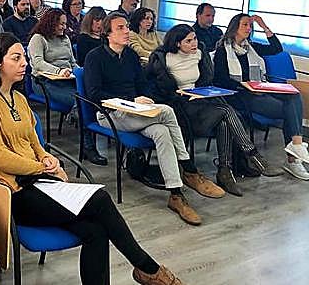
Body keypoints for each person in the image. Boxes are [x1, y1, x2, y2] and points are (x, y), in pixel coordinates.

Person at [0, 33, 184, 285]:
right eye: (16, 58)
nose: (24, 63)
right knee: (100, 199)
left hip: (38, 182)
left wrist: (48, 158)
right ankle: (148, 268)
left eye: (23, 57)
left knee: (96, 231)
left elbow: (34, 141)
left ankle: (144, 270)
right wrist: (41, 167)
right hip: (12, 193)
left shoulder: (18, 98)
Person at [85, 13, 225, 225]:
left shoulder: (130, 56)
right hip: (110, 113)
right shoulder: (95, 57)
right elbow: (94, 94)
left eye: (127, 27)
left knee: (162, 132)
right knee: (167, 112)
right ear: (107, 34)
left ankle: (176, 195)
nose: (126, 31)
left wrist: (147, 99)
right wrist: (131, 100)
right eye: (120, 28)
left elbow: (143, 85)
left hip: (136, 112)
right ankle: (189, 169)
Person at [146, 24, 279, 196]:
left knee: (224, 122)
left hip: (201, 101)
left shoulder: (199, 54)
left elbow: (207, 80)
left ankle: (226, 170)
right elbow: (155, 88)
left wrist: (205, 92)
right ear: (177, 43)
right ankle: (251, 155)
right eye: (188, 41)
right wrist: (176, 94)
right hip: (180, 106)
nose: (194, 43)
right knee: (226, 112)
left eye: (195, 39)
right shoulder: (163, 58)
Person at [213, 13, 309, 179]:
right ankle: (293, 159)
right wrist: (245, 86)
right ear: (234, 28)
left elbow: (276, 49)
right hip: (240, 95)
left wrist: (264, 26)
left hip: (260, 89)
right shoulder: (223, 50)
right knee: (290, 111)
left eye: (250, 26)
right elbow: (220, 80)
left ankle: (296, 145)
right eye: (245, 25)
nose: (249, 29)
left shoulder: (251, 47)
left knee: (294, 96)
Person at [27, 9, 105, 165]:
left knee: (89, 97)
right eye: (61, 23)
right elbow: (38, 63)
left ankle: (75, 114)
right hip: (44, 81)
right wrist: (58, 71)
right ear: (51, 23)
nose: (64, 27)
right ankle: (88, 146)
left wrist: (80, 72)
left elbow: (72, 62)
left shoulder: (65, 38)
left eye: (65, 23)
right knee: (82, 102)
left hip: (67, 79)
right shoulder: (38, 38)